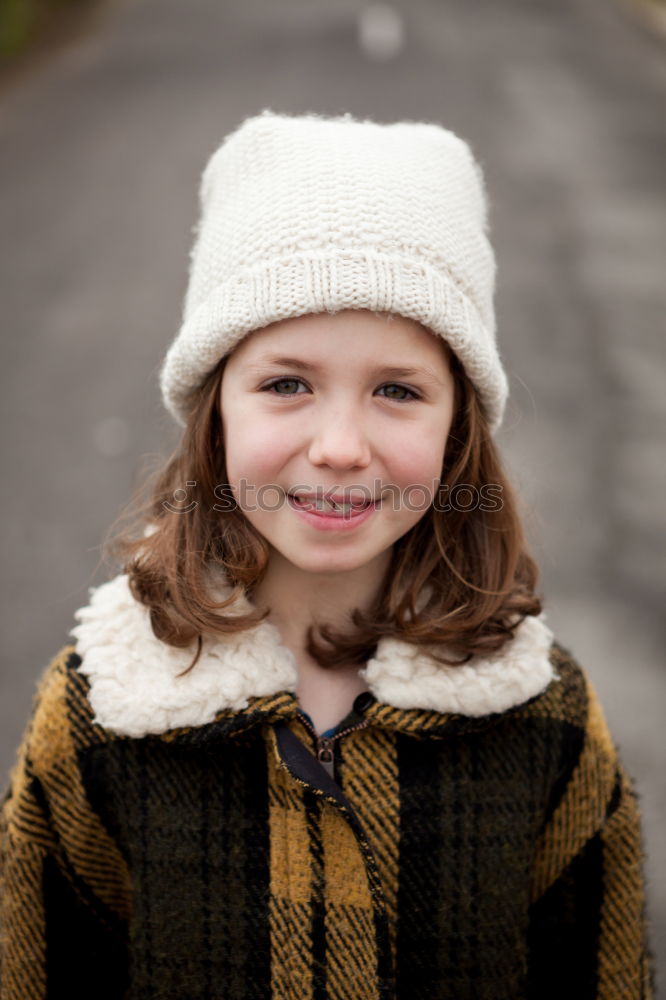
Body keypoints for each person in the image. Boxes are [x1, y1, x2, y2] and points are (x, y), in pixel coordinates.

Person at [0, 110, 655, 1000]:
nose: (341, 446)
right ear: (215, 409)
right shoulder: (97, 715)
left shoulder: (547, 721)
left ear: (458, 426)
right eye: (286, 384)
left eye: (397, 390)